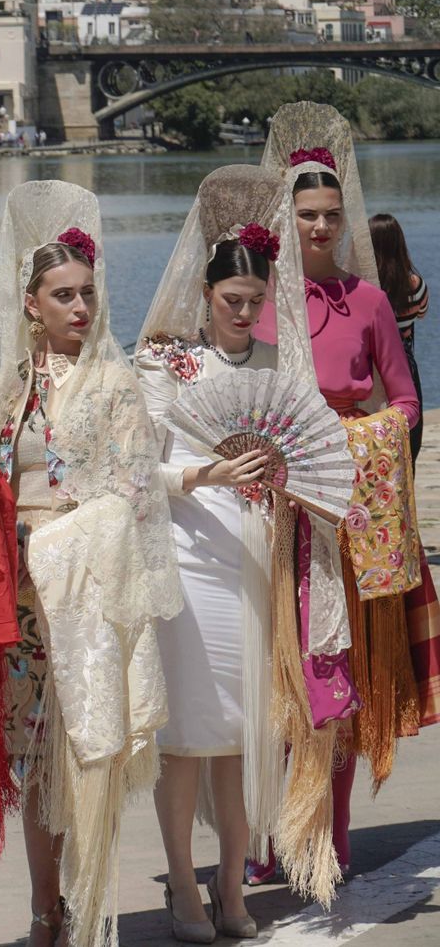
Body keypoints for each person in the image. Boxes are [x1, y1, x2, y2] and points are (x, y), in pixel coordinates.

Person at [137, 164, 351, 934]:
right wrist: (207, 471)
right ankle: (186, 888)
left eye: (256, 303)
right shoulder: (164, 363)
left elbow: (310, 455)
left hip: (255, 565)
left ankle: (230, 886)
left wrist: (290, 489)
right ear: (205, 294)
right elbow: (140, 469)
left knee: (240, 740)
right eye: (233, 302)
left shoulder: (275, 367)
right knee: (188, 738)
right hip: (189, 566)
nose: (244, 313)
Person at [0, 181, 180, 947]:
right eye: (61, 295)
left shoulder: (115, 384)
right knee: (33, 758)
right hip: (27, 603)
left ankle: (91, 900)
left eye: (87, 295)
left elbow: (133, 496)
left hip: (89, 594)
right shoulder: (9, 388)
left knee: (87, 756)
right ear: (30, 303)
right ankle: (44, 906)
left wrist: (60, 543)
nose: (79, 309)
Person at [254, 103, 429, 878]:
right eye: (306, 216)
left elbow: (405, 400)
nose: (320, 229)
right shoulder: (253, 301)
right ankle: (273, 835)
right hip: (274, 512)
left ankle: (334, 829)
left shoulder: (369, 300)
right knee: (277, 684)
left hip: (349, 512)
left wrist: (357, 440)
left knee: (339, 679)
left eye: (330, 215)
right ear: (283, 218)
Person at [369, 213, 427, 456]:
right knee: (409, 432)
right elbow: (421, 313)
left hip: (371, 366)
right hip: (405, 364)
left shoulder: (367, 285)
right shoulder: (414, 284)